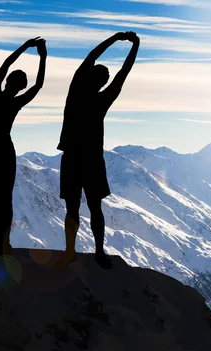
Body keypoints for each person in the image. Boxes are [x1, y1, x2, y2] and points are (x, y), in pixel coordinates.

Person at [54, 31, 140, 269]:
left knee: (75, 207)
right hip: (90, 160)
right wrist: (134, 45)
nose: (103, 80)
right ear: (101, 81)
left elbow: (93, 57)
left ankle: (73, 250)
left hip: (74, 157)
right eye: (104, 77)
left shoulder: (76, 92)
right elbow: (123, 72)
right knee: (94, 207)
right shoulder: (102, 98)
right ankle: (97, 252)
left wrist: (115, 39)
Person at [0, 37, 47, 257]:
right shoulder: (15, 102)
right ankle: (2, 242)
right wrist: (42, 57)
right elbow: (39, 85)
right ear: (20, 87)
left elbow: (5, 64)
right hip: (4, 150)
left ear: (8, 81)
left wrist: (25, 48)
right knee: (4, 199)